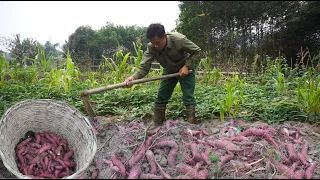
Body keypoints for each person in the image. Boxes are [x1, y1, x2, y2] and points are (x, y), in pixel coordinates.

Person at [124, 23, 201, 126]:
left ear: (164, 36)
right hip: (169, 69)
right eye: (153, 43)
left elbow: (197, 52)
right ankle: (157, 123)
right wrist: (133, 78)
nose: (156, 46)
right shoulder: (152, 47)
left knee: (188, 96)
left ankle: (191, 124)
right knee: (161, 96)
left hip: (185, 68)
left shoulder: (178, 40)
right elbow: (144, 67)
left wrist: (187, 66)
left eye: (158, 42)